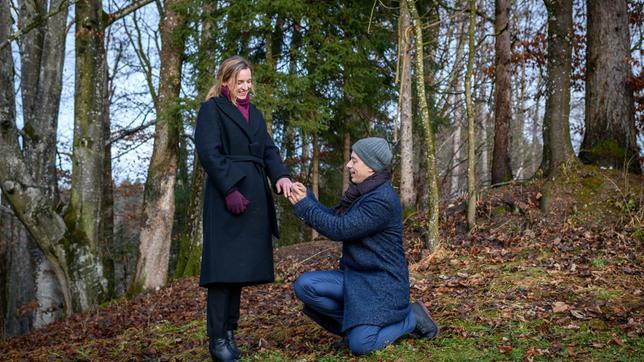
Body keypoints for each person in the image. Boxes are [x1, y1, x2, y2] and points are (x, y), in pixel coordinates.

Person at [287, 137, 438, 355]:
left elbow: (340, 229)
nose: (349, 165)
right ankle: (355, 328)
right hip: (357, 278)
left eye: (354, 160)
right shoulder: (361, 192)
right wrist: (307, 199)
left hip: (382, 285)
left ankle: (411, 318)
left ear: (371, 166)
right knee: (305, 286)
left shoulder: (381, 200)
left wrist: (306, 207)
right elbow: (336, 219)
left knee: (361, 346)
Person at [194, 55, 292, 362]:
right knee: (222, 272)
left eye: (249, 82)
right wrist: (229, 189)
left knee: (237, 272)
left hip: (254, 198)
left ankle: (231, 331)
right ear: (226, 82)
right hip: (227, 198)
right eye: (240, 82)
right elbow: (208, 152)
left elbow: (268, 150)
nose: (246, 87)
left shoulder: (256, 114)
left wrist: (281, 176)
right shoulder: (212, 110)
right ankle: (217, 339)